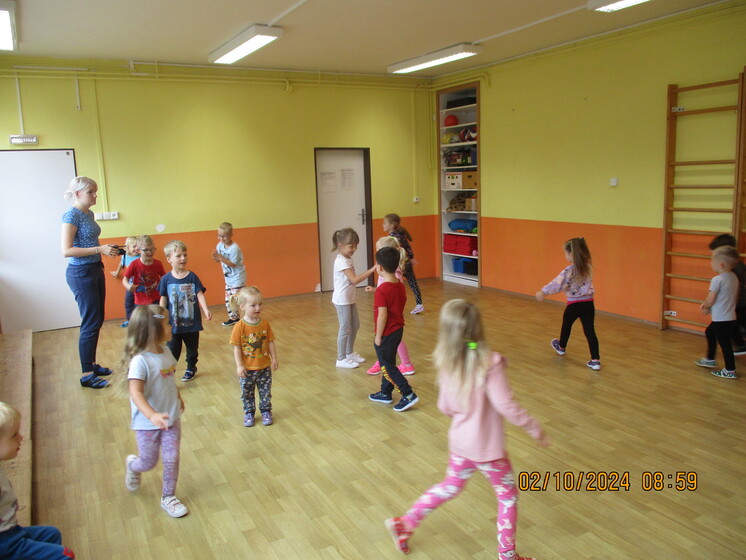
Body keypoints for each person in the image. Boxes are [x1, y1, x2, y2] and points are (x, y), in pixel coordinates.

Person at [384, 300, 548, 559]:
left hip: (461, 444)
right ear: (478, 328)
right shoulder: (491, 363)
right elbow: (505, 405)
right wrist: (534, 427)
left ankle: (405, 523)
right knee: (507, 496)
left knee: (449, 487)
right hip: (489, 450)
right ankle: (507, 555)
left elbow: (445, 406)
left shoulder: (448, 362)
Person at [121, 306, 189, 518]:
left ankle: (168, 496)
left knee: (171, 458)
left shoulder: (167, 352)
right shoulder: (140, 361)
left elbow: (169, 380)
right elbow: (136, 392)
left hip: (170, 418)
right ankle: (133, 465)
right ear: (153, 330)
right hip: (147, 424)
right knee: (148, 462)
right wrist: (152, 415)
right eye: (167, 323)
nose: (171, 326)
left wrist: (178, 397)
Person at [61, 176, 119, 389]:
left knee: (97, 319)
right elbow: (66, 250)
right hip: (80, 273)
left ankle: (92, 364)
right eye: (91, 192)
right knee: (90, 321)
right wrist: (99, 249)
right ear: (77, 194)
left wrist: (105, 249)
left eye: (95, 191)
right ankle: (87, 374)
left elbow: (89, 241)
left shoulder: (89, 213)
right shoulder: (71, 215)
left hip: (95, 268)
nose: (95, 195)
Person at [0, 402, 75, 559]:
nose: (21, 437)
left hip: (12, 530)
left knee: (52, 534)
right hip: (5, 543)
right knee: (65, 555)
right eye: (14, 435)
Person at [535, 237, 601, 371]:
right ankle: (595, 360)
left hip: (574, 305)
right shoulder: (588, 267)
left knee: (566, 325)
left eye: (565, 253)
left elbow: (557, 283)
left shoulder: (569, 270)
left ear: (571, 254)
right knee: (589, 330)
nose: (565, 256)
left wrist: (543, 291)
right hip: (589, 304)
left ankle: (561, 347)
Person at [368, 246, 418, 412]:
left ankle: (408, 394)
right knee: (389, 362)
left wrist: (378, 336)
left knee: (387, 366)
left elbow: (382, 316)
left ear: (380, 268)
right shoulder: (400, 285)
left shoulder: (382, 290)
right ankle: (385, 392)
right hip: (397, 330)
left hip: (387, 332)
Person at [158, 240, 212, 382]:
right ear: (169, 259)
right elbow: (163, 298)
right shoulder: (166, 279)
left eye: (185, 255)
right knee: (172, 349)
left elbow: (200, 294)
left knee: (192, 349)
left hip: (191, 323)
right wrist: (160, 316)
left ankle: (191, 368)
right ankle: (170, 371)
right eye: (178, 256)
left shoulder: (192, 277)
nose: (183, 258)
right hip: (173, 324)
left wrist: (205, 309)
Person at [365, 237, 416, 376]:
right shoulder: (387, 271)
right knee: (391, 340)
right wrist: (376, 290)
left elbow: (392, 291)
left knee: (388, 340)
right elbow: (387, 289)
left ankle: (404, 364)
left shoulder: (394, 273)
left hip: (390, 314)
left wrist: (379, 292)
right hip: (386, 311)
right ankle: (385, 362)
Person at [229, 287, 278, 427]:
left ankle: (266, 411)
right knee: (247, 393)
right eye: (253, 305)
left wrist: (274, 358)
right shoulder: (239, 326)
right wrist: (239, 365)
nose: (258, 308)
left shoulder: (265, 324)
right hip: (247, 370)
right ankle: (249, 412)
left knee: (266, 392)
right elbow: (237, 348)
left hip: (264, 368)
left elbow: (270, 341)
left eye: (260, 304)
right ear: (242, 306)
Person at [331, 228, 375, 369]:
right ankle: (341, 358)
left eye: (356, 246)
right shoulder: (341, 261)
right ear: (341, 245)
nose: (354, 249)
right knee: (345, 328)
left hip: (349, 298)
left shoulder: (347, 259)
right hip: (342, 300)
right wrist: (373, 269)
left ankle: (349, 353)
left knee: (355, 325)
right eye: (351, 246)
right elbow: (354, 280)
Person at [696, 246, 739, 379]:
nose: (711, 263)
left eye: (712, 261)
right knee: (710, 332)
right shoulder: (734, 277)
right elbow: (734, 297)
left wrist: (706, 306)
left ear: (720, 265)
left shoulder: (717, 279)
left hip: (721, 319)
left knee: (725, 345)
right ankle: (710, 359)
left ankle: (730, 370)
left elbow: (711, 298)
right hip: (730, 316)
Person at [708, 234, 746, 354]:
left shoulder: (736, 268)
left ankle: (739, 345)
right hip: (733, 304)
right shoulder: (728, 270)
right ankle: (739, 344)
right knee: (730, 326)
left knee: (731, 325)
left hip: (739, 303)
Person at [384, 213, 424, 314]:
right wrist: (412, 258)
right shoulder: (400, 234)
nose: (383, 225)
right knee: (413, 284)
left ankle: (392, 305)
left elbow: (392, 252)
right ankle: (419, 304)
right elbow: (408, 247)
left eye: (385, 223)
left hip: (399, 265)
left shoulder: (392, 237)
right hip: (406, 263)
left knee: (394, 285)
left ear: (391, 225)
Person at [211, 222, 246, 327]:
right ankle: (234, 318)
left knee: (238, 299)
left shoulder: (234, 248)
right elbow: (219, 261)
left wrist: (221, 257)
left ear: (231, 235)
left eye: (224, 236)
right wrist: (216, 258)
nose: (221, 238)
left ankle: (247, 318)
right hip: (229, 279)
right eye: (219, 235)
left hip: (237, 278)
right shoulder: (219, 245)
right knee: (228, 300)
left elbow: (233, 264)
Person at [122, 235, 165, 307]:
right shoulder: (134, 264)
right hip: (140, 300)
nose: (149, 252)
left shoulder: (158, 264)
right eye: (146, 250)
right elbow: (125, 279)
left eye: (152, 249)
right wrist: (128, 286)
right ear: (139, 250)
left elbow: (164, 277)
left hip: (156, 298)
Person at [110, 236, 140, 327]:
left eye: (138, 246)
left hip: (140, 284)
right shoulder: (125, 257)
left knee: (139, 302)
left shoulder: (141, 257)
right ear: (127, 248)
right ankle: (129, 319)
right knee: (128, 301)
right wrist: (117, 272)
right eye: (134, 246)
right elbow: (121, 263)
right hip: (129, 283)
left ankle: (139, 320)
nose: (137, 248)